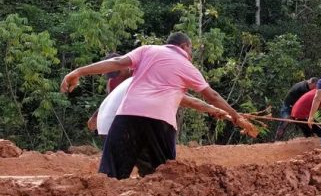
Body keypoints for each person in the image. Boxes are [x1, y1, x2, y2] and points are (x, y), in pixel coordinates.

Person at [61, 32, 257, 179]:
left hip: (127, 117)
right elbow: (211, 95)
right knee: (164, 175)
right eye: (191, 49)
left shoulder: (147, 50)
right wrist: (235, 116)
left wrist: (78, 71)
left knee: (111, 175)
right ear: (184, 46)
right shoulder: (188, 67)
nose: (191, 53)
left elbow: (117, 62)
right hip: (160, 123)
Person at [92, 76, 230, 175]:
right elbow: (190, 102)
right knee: (158, 170)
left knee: (116, 173)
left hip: (106, 125)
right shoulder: (158, 82)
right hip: (123, 125)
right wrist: (215, 110)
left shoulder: (143, 78)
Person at [87, 52, 133, 131]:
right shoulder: (112, 82)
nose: (117, 77)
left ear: (124, 65)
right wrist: (96, 116)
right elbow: (109, 101)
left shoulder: (138, 73)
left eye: (117, 72)